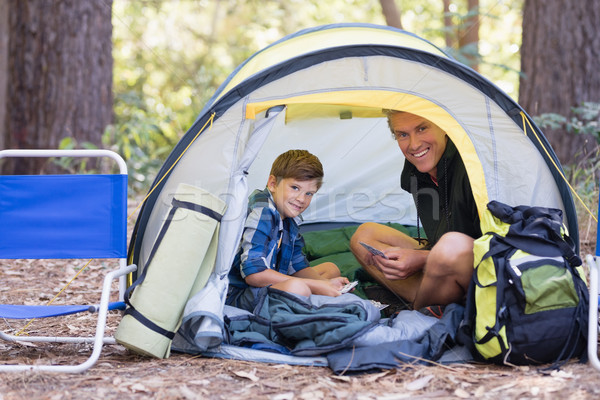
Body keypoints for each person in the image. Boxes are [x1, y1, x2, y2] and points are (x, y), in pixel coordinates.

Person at [350, 111, 481, 314]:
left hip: (479, 276)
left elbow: (496, 250)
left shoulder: (474, 169)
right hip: (441, 259)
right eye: (402, 134)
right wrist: (411, 257)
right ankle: (430, 301)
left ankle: (421, 314)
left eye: (422, 128)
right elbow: (440, 234)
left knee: (452, 245)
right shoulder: (417, 171)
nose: (413, 145)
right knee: (364, 236)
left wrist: (422, 259)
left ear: (445, 128)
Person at [227, 149, 349, 312]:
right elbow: (254, 274)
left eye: (309, 193)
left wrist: (326, 285)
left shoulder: (289, 218)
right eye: (295, 188)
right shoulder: (262, 213)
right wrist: (315, 285)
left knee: (330, 269)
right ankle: (309, 299)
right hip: (241, 295)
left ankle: (315, 295)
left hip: (269, 281)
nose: (301, 199)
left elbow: (297, 265)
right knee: (299, 288)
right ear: (272, 184)